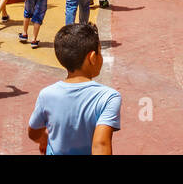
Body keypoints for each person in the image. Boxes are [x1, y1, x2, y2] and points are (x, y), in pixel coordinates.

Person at [27, 23, 120, 155]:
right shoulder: (108, 97)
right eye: (100, 52)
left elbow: (33, 132)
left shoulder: (47, 94)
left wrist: (43, 138)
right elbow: (101, 144)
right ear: (92, 58)